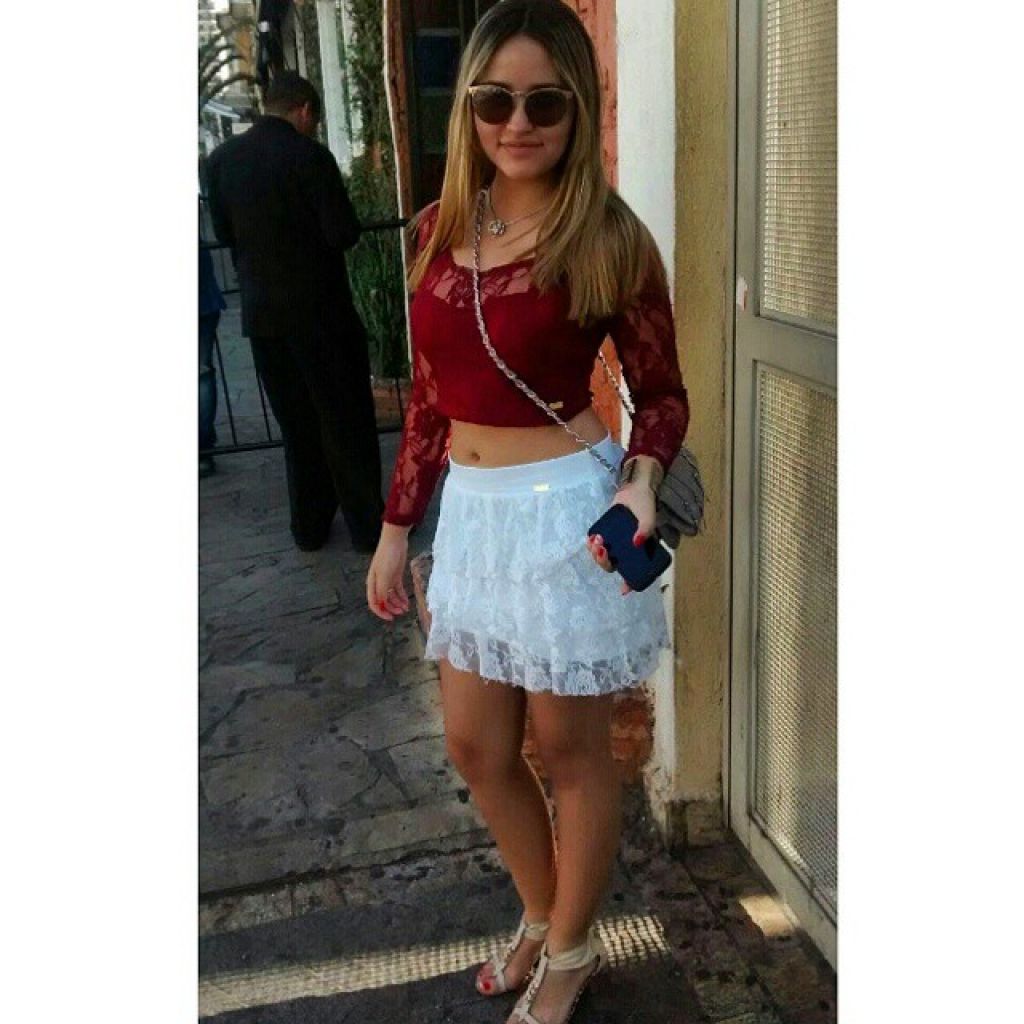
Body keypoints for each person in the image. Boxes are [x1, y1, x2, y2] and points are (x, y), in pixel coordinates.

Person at [365, 3, 690, 1022]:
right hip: (472, 517)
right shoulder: (437, 228)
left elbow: (662, 392)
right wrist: (396, 529)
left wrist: (641, 477)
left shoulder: (608, 236)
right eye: (494, 99)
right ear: (468, 106)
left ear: (577, 108)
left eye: (544, 102)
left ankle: (572, 949)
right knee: (476, 744)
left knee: (571, 747)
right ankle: (545, 914)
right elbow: (429, 399)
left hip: (563, 514)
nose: (517, 122)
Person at [205, 71, 384, 552]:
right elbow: (342, 231)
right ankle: (366, 527)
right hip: (322, 314)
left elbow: (223, 232)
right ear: (304, 110)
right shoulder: (310, 156)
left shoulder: (221, 161)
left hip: (263, 317)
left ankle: (309, 527)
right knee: (344, 421)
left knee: (296, 426)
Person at [198, 238, 226, 477]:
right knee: (202, 374)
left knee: (202, 376)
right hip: (203, 300)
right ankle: (202, 446)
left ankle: (202, 444)